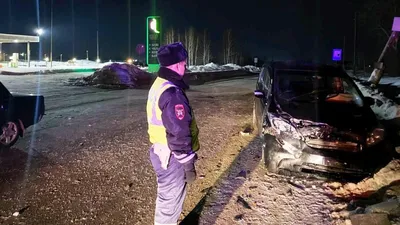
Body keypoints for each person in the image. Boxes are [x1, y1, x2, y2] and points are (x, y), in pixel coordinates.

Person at [146, 42, 200, 225]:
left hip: (161, 151)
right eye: (184, 63)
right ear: (177, 64)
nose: (185, 67)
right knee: (169, 203)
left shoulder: (159, 84)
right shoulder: (172, 92)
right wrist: (188, 165)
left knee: (168, 199)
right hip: (171, 156)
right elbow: (178, 133)